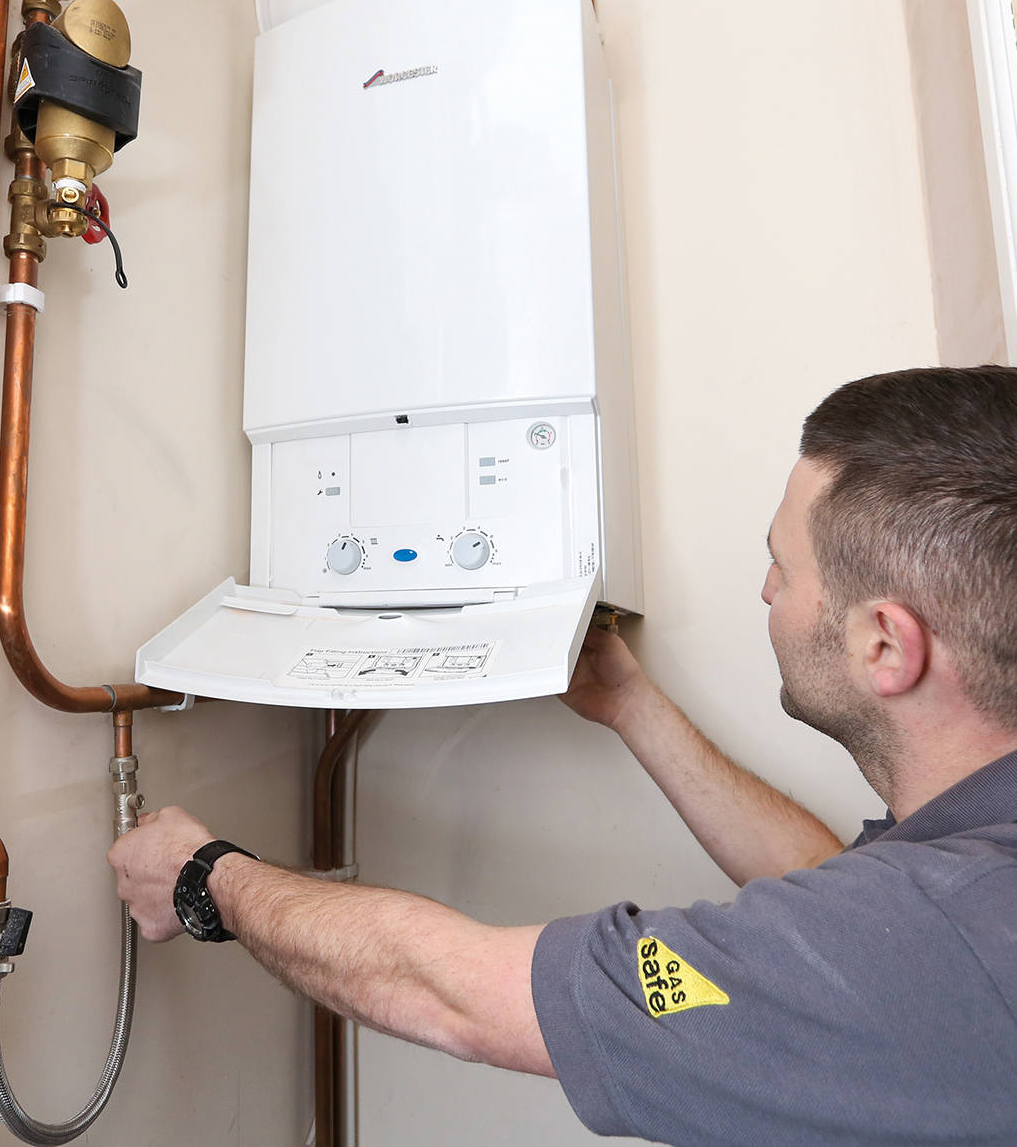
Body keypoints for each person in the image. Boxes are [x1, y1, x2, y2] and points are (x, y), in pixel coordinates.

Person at [109, 366, 1017, 1145]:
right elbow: (829, 892)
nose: (765, 590)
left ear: (885, 645)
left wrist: (206, 876)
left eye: (784, 567)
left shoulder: (936, 941)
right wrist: (631, 706)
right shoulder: (958, 885)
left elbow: (462, 996)